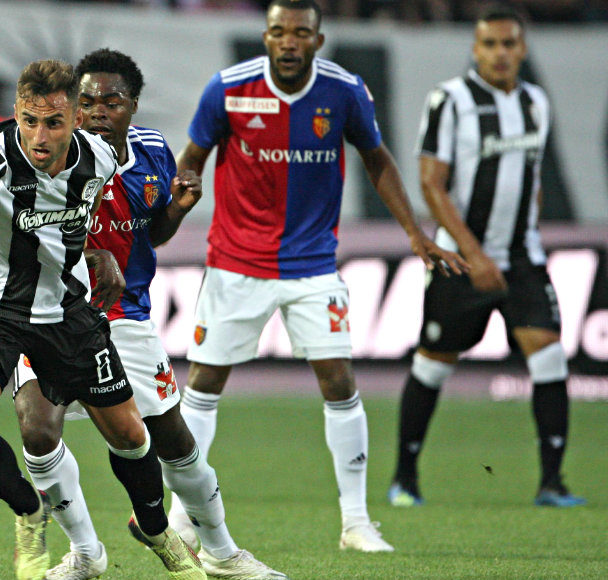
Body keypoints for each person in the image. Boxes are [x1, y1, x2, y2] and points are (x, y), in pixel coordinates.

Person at [167, 0, 468, 553]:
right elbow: (193, 155)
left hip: (312, 264)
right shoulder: (228, 89)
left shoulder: (344, 91)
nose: (289, 41)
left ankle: (356, 523)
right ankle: (181, 517)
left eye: (300, 33)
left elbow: (378, 158)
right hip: (236, 261)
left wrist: (414, 231)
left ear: (318, 40)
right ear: (266, 36)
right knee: (204, 384)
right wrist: (176, 204)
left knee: (339, 381)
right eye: (279, 31)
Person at [0, 59, 205, 580]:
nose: (39, 136)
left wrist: (99, 256)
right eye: (29, 120)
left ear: (76, 120)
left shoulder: (100, 157)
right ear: (17, 113)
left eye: (53, 123)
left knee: (131, 435)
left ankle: (157, 531)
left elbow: (83, 226)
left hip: (64, 312)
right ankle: (29, 511)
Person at [12, 49, 287, 580]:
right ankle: (86, 553)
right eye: (85, 101)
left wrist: (176, 209)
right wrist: (86, 255)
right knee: (38, 431)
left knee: (174, 444)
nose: (97, 110)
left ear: (133, 105)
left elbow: (151, 232)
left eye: (111, 101)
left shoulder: (154, 153)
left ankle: (222, 552)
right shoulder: (46, 159)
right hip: (50, 313)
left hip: (125, 318)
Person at [388, 6, 586, 509]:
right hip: (460, 260)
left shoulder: (536, 101)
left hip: (521, 257)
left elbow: (532, 177)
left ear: (522, 49)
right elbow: (432, 185)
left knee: (549, 355)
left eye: (509, 44)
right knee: (434, 365)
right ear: (476, 49)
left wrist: (524, 231)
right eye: (490, 44)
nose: (500, 53)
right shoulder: (450, 101)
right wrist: (474, 255)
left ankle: (552, 483)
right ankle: (405, 479)